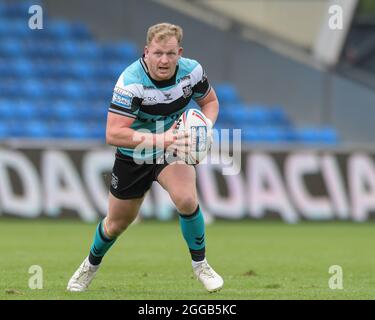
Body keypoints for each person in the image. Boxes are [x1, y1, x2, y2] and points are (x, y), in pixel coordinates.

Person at [67, 22, 223, 293]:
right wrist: (161, 138)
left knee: (186, 199)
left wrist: (204, 129)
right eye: (159, 53)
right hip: (134, 154)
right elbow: (113, 133)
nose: (164, 60)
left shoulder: (192, 72)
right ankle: (89, 266)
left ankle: (201, 265)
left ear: (180, 52)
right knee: (116, 224)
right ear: (147, 51)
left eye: (171, 54)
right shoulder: (130, 82)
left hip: (172, 148)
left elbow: (210, 103)